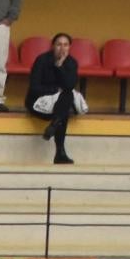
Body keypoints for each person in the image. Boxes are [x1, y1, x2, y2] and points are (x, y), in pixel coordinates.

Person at [27, 31, 83, 163]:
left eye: (66, 45)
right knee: (63, 111)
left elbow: (69, 85)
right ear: (53, 46)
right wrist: (55, 90)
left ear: (69, 47)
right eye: (59, 45)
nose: (62, 48)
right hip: (38, 103)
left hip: (58, 106)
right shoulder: (42, 60)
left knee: (67, 96)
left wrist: (60, 67)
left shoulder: (71, 62)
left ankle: (54, 125)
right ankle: (60, 152)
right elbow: (34, 87)